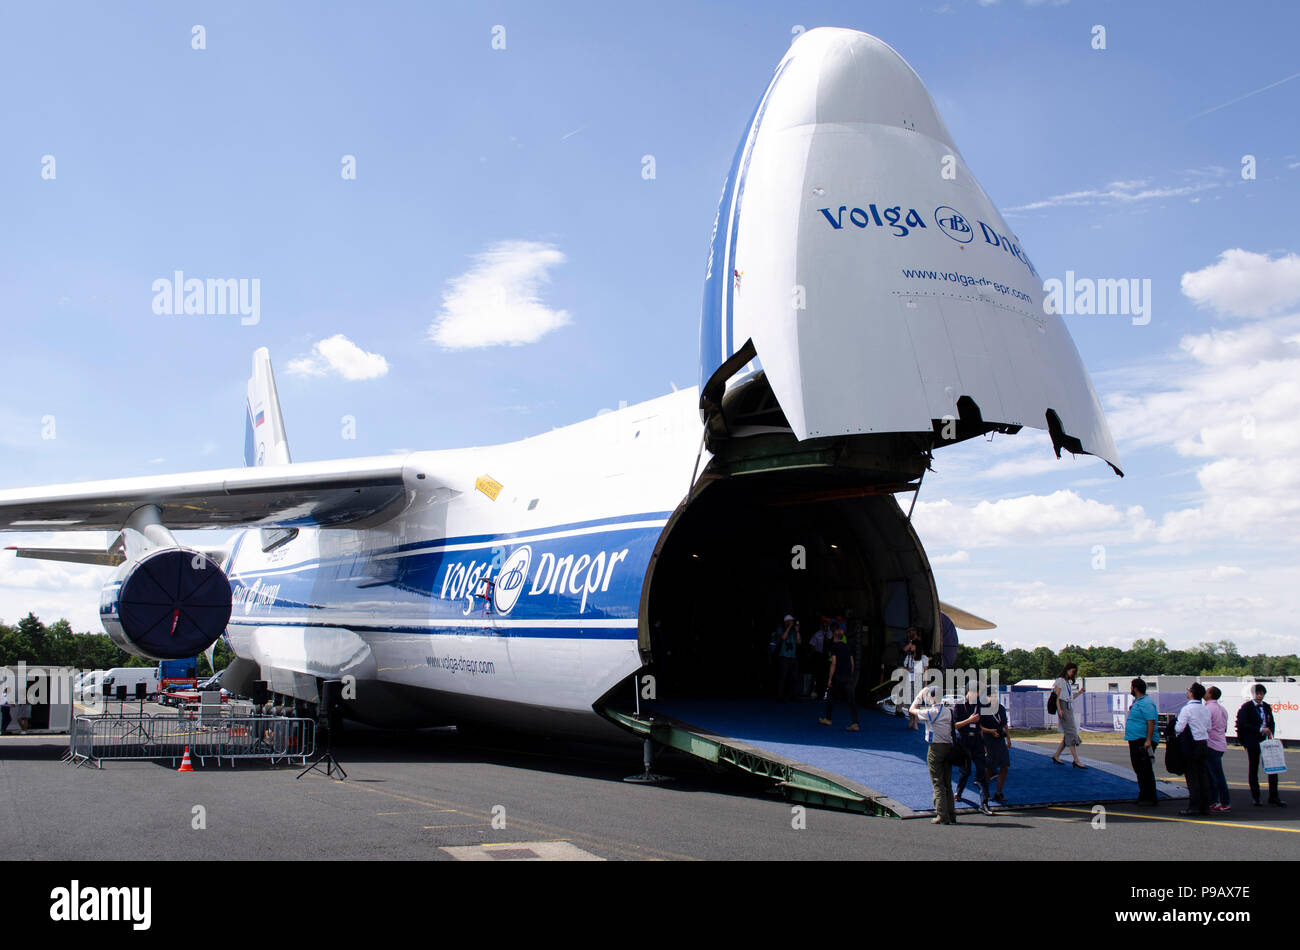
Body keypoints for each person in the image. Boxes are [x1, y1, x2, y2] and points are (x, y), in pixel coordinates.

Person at [910, 685, 973, 825]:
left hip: (936, 748)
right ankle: (951, 814)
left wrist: (919, 696)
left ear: (931, 697)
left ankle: (942, 815)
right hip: (948, 747)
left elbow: (912, 710)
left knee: (937, 782)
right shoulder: (949, 711)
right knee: (947, 782)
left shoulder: (931, 712)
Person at [1235, 684, 1286, 807]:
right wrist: (1259, 729)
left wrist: (1270, 733)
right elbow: (1242, 724)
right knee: (1254, 768)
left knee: (1272, 768)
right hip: (1252, 741)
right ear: (1253, 695)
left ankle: (1274, 796)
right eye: (1257, 694)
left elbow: (1271, 721)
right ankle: (1256, 797)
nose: (1259, 696)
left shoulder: (1267, 707)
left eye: (1261, 694)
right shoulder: (1246, 707)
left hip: (1266, 741)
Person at [953, 687, 993, 815]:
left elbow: (981, 725)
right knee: (966, 771)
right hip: (964, 741)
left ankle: (984, 803)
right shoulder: (959, 706)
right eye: (974, 693)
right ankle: (958, 792)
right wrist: (969, 721)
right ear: (968, 692)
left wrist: (985, 744)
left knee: (981, 771)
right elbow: (954, 725)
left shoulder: (980, 706)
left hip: (977, 741)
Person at [1174, 683, 1212, 817]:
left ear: (1192, 693)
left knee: (1192, 777)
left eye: (1189, 690)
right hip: (1203, 742)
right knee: (1203, 776)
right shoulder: (1205, 709)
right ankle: (1205, 806)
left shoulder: (1187, 709)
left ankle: (1194, 806)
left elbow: (1179, 728)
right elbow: (1208, 727)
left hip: (1191, 744)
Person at [1124, 678, 1160, 806]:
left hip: (1142, 739)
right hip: (1135, 738)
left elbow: (1151, 721)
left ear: (1135, 688)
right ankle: (1144, 794)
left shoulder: (1146, 703)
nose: (1131, 689)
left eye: (1132, 687)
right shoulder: (1138, 702)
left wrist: (1148, 740)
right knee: (1139, 768)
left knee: (1144, 768)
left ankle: (1149, 796)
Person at [819, 624, 858, 731]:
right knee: (851, 700)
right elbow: (852, 664)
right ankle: (855, 723)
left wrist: (830, 678)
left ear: (835, 637)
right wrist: (850, 675)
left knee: (830, 697)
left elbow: (834, 663)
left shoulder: (834, 647)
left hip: (838, 676)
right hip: (848, 677)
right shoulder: (848, 647)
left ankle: (828, 718)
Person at [1050, 663, 1087, 768]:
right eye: (1072, 671)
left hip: (1068, 707)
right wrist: (1059, 709)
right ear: (1067, 670)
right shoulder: (1060, 681)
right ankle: (1076, 759)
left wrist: (1079, 693)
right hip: (1063, 708)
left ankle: (1056, 755)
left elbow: (1070, 698)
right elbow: (1056, 697)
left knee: (1068, 734)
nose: (1072, 674)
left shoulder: (1066, 682)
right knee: (1071, 733)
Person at [981, 688, 1012, 805]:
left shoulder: (1000, 708)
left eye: (995, 696)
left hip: (1000, 739)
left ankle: (999, 792)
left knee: (1005, 765)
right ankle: (985, 791)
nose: (993, 698)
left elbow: (1004, 724)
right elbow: (979, 727)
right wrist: (990, 731)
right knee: (989, 768)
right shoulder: (983, 709)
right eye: (991, 696)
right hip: (988, 740)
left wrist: (1008, 738)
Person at [1204, 686, 1231, 813]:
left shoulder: (1208, 709)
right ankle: (1215, 800)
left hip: (1211, 743)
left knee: (1216, 775)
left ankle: (1224, 801)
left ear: (1210, 694)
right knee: (1214, 774)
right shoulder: (1222, 709)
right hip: (1220, 743)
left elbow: (1206, 727)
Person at [901, 638, 928, 729]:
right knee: (909, 702)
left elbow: (926, 671)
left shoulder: (924, 658)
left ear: (916, 647)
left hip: (919, 682)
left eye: (912, 645)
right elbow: (905, 668)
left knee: (916, 702)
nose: (910, 647)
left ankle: (915, 721)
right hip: (909, 681)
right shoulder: (909, 657)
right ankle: (911, 719)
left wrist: (926, 684)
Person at [773, 615, 800, 702]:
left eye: (792, 621)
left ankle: (794, 696)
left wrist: (797, 631)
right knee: (782, 677)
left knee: (794, 677)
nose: (791, 622)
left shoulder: (793, 631)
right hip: (783, 656)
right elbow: (783, 637)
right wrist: (789, 627)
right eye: (790, 621)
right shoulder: (780, 629)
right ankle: (780, 696)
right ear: (786, 621)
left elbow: (799, 642)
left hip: (793, 657)